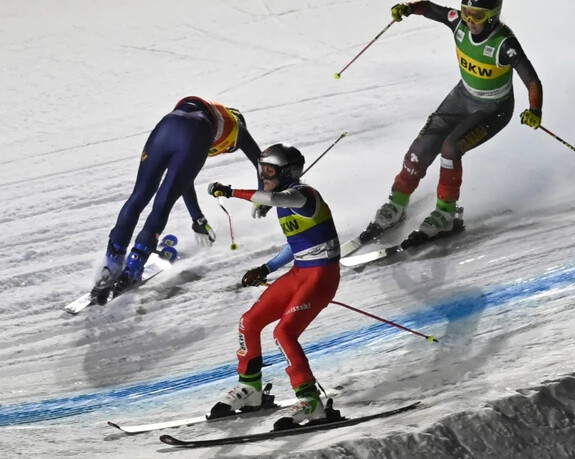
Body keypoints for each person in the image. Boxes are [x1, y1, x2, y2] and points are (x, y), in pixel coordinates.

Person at [362, 0, 543, 241]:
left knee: (450, 149)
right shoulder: (458, 24)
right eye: (467, 13)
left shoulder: (504, 44)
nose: (470, 21)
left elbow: (532, 81)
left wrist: (534, 110)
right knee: (422, 147)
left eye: (477, 16)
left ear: (492, 16)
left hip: (493, 109)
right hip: (462, 96)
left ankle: (446, 214)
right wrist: (408, 8)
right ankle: (397, 202)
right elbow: (429, 8)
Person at [205, 143, 341, 426]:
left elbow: (272, 199)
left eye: (270, 170)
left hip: (321, 276)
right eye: (261, 169)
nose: (264, 175)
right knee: (249, 321)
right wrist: (265, 268)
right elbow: (296, 245)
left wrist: (230, 191)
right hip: (300, 272)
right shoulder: (284, 200)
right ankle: (252, 389)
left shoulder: (301, 196)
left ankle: (311, 401)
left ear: (288, 171)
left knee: (284, 332)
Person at [91, 96, 268, 304]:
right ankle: (134, 265)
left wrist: (198, 219)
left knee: (139, 196)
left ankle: (111, 263)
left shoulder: (220, 116)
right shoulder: (237, 130)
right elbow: (260, 160)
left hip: (168, 124)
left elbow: (186, 182)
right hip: (196, 132)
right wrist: (262, 196)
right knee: (163, 203)